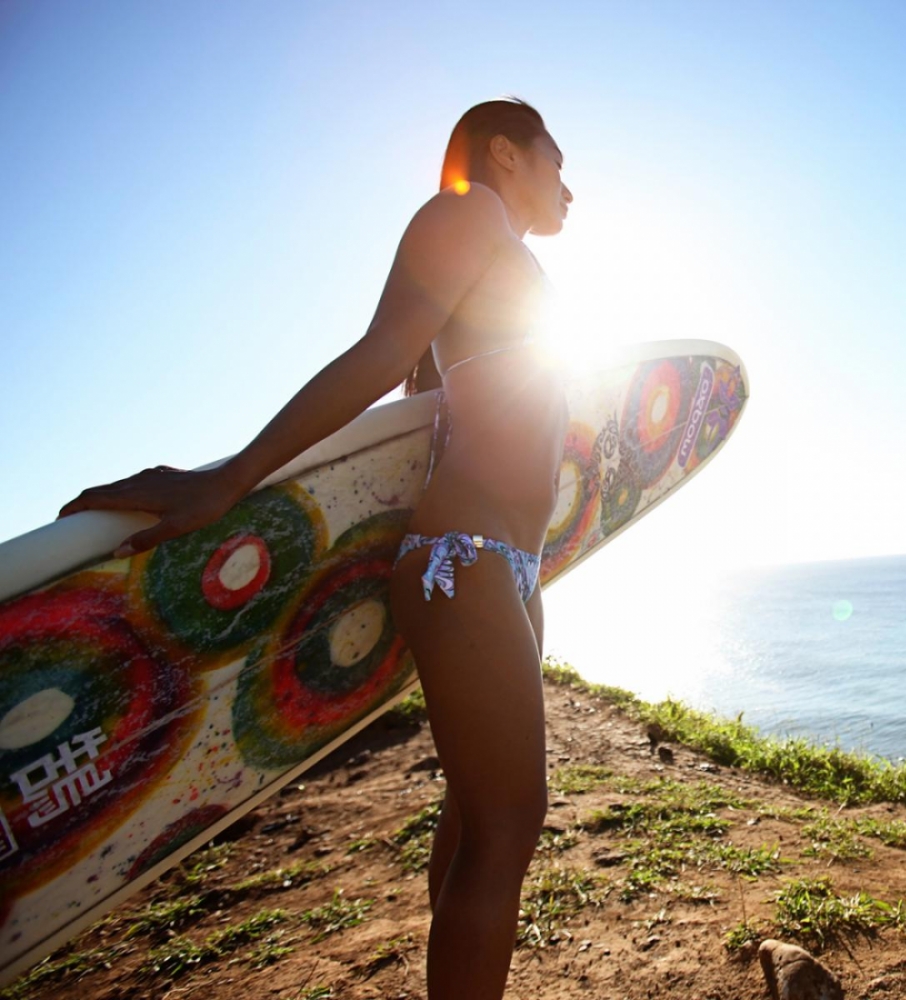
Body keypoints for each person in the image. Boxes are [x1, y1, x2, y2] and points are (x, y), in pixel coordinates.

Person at [56, 97, 574, 999]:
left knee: (479, 813)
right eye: (556, 162)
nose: (571, 189)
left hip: (509, 566)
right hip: (466, 555)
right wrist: (231, 480)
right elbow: (384, 353)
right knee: (508, 825)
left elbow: (431, 398)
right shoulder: (467, 213)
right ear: (505, 153)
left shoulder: (505, 254)